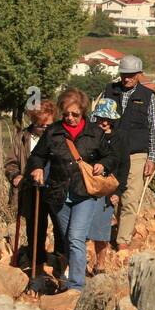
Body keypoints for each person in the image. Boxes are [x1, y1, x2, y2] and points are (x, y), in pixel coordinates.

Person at [27, 89, 128, 292]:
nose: (70, 118)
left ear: (82, 112)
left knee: (76, 238)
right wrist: (37, 167)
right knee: (67, 238)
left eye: (75, 114)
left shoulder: (94, 132)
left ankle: (76, 285)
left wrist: (103, 165)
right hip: (58, 193)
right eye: (66, 114)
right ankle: (68, 277)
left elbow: (111, 157)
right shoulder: (53, 132)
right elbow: (37, 156)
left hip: (84, 193)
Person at [101, 55, 155, 253]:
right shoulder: (110, 91)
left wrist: (152, 157)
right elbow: (97, 118)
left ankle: (122, 241)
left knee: (130, 198)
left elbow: (153, 128)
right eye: (124, 75)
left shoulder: (148, 96)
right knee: (110, 194)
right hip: (111, 153)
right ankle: (106, 234)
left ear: (139, 75)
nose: (127, 79)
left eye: (131, 75)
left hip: (137, 154)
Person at [4, 101, 56, 276]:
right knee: (36, 228)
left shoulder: (58, 135)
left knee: (60, 226)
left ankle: (60, 262)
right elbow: (10, 162)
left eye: (48, 125)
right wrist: (15, 176)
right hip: (32, 189)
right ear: (34, 122)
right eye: (41, 125)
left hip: (56, 188)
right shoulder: (23, 137)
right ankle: (37, 265)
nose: (45, 129)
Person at [86, 97, 123, 274]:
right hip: (87, 186)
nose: (103, 122)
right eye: (100, 118)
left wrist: (118, 190)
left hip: (107, 188)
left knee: (101, 229)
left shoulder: (118, 139)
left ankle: (100, 265)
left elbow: (123, 165)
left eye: (107, 119)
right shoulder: (88, 135)